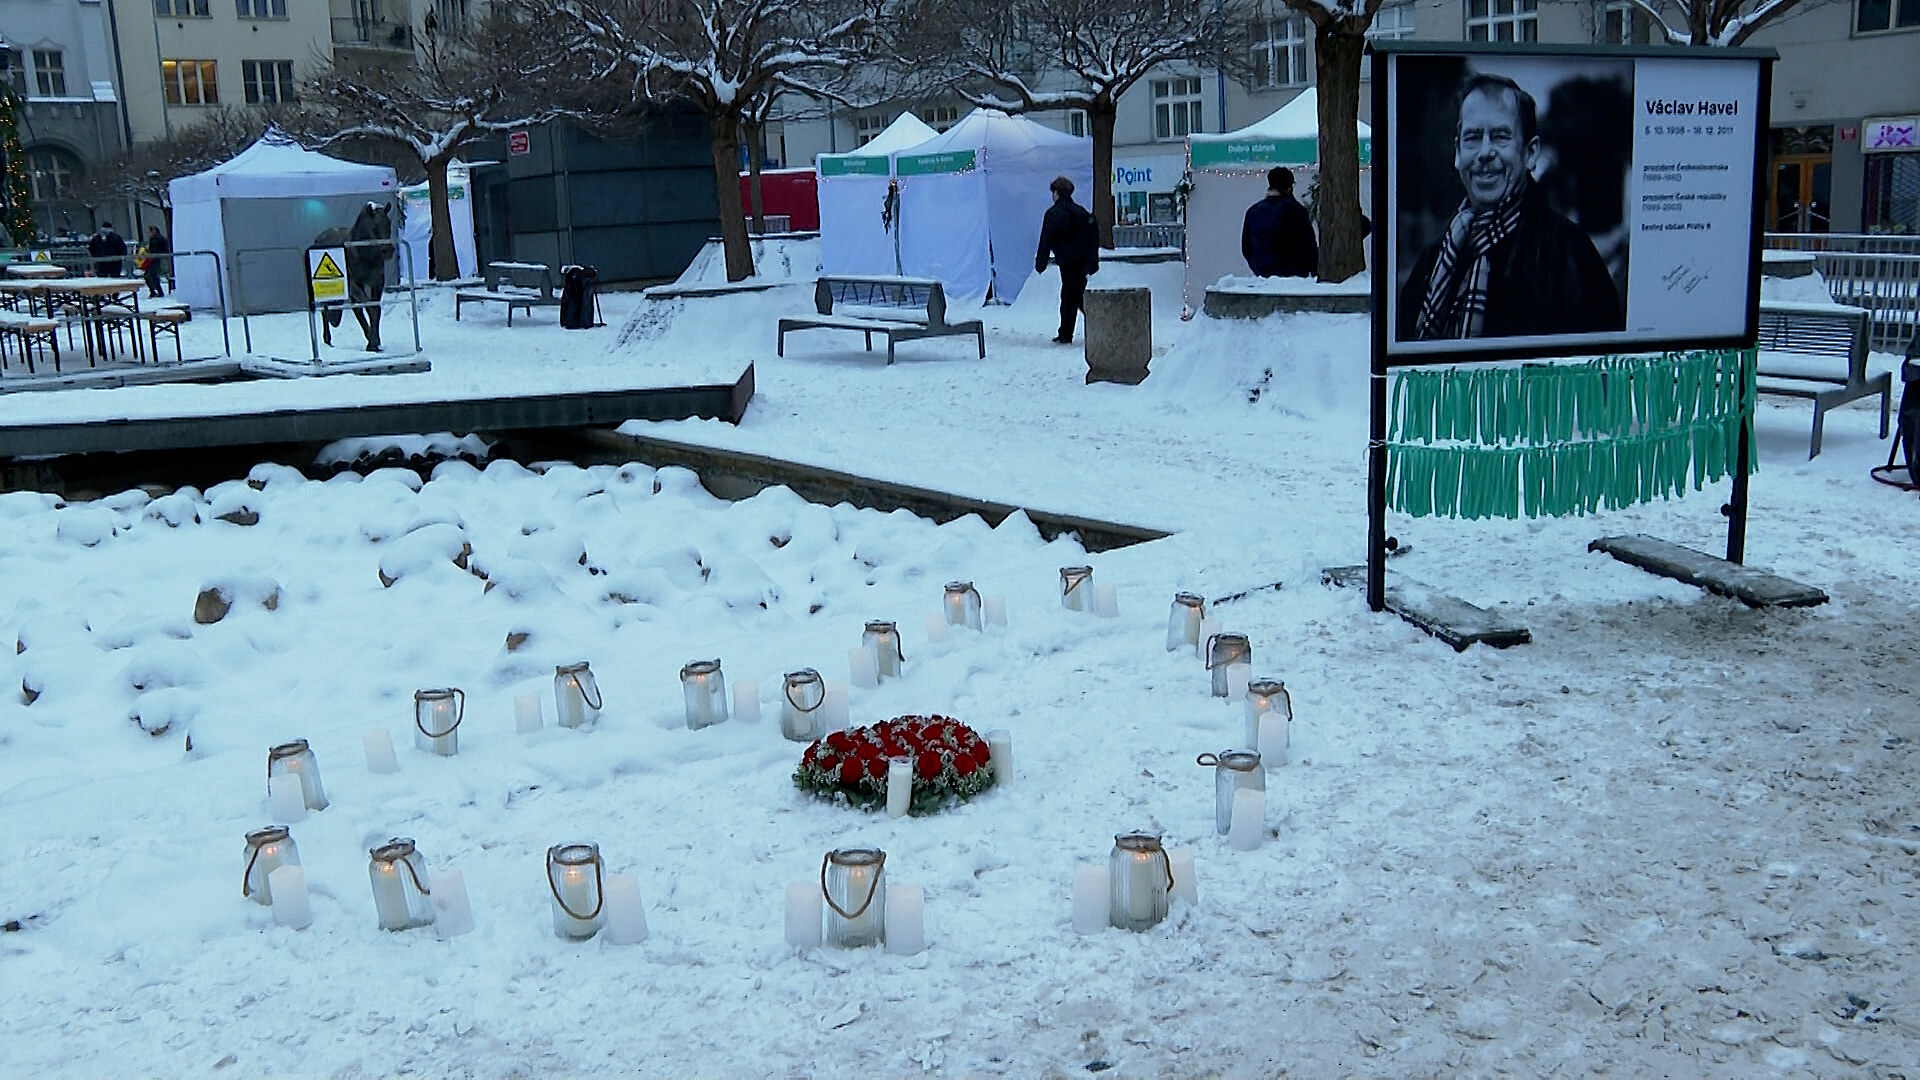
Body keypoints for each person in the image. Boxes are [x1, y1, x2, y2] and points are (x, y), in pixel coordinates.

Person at [1398, 73, 1622, 341]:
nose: (1484, 152)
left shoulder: (1571, 256)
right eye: (1473, 137)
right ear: (1457, 153)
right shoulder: (1432, 260)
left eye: (1500, 136)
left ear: (1530, 153)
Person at [1035, 175, 1099, 344]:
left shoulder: (1053, 213)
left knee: (1071, 297)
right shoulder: (1081, 212)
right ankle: (1088, 326)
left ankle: (1069, 332)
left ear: (1056, 192)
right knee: (1075, 295)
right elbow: (1092, 236)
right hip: (1081, 260)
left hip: (1066, 260)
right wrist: (1092, 262)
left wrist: (1041, 262)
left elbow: (1046, 238)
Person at [1241, 167, 1318, 278]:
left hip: (1262, 273)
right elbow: (1308, 244)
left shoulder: (1253, 211)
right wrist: (1313, 271)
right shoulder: (1296, 210)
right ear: (1290, 187)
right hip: (1293, 274)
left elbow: (1246, 247)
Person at [142, 225, 172, 298]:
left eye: (149, 231)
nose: (148, 233)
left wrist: (149, 253)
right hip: (157, 258)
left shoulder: (155, 238)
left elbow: (154, 250)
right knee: (152, 275)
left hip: (155, 259)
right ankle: (157, 291)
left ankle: (155, 291)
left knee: (149, 275)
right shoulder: (159, 237)